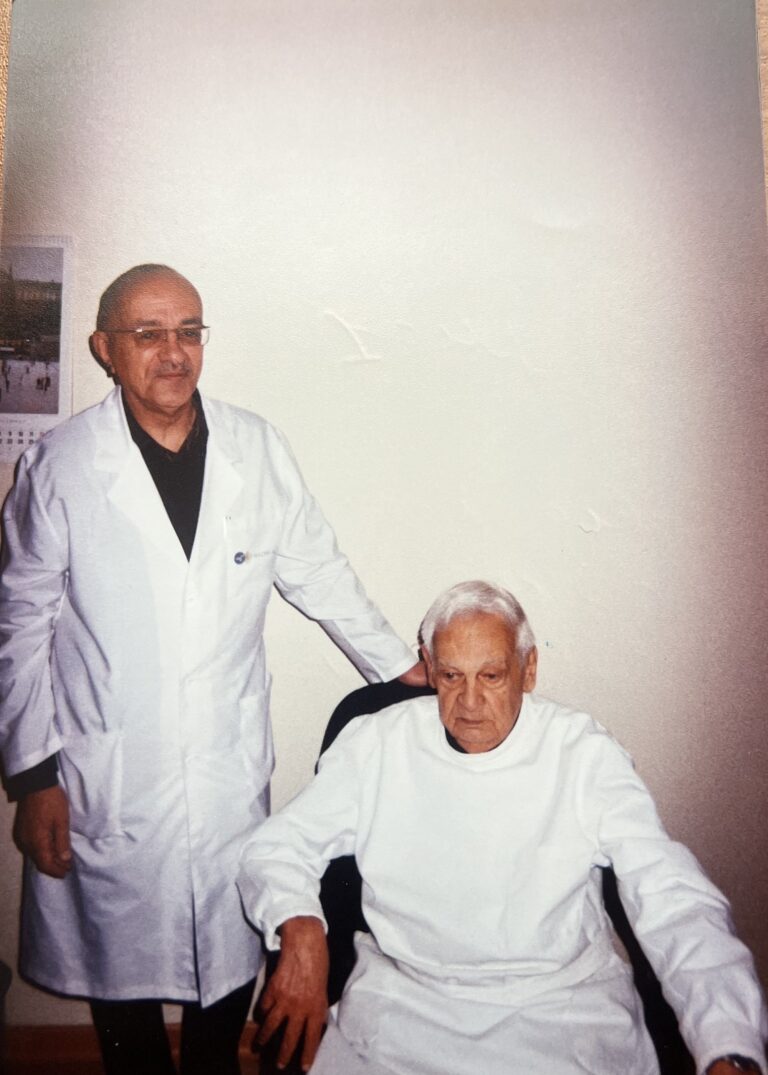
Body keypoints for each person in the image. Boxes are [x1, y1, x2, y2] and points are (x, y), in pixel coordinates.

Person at [0, 264, 423, 1075]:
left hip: (225, 761)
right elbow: (17, 623)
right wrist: (33, 775)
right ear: (105, 348)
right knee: (116, 960)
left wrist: (403, 669)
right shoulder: (61, 464)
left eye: (189, 331)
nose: (173, 352)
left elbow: (319, 572)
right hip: (106, 767)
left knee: (229, 944)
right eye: (148, 334)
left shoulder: (254, 448)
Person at [238, 581, 768, 1075]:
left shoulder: (582, 753)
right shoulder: (376, 743)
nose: (469, 702)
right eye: (451, 676)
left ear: (528, 669)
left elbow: (670, 895)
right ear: (428, 666)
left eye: (490, 676)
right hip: (407, 1009)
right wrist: (299, 925)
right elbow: (277, 847)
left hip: (563, 1014)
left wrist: (728, 1043)